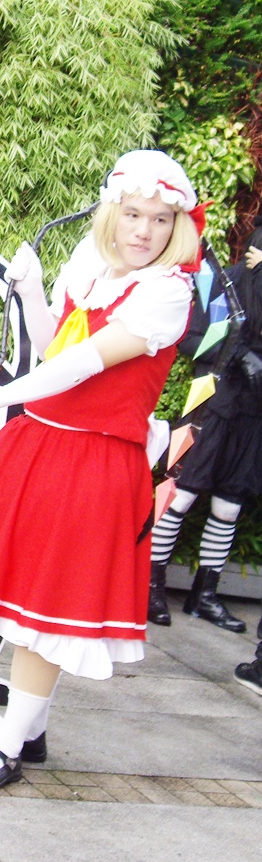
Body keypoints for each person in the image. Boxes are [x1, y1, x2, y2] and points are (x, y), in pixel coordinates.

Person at [0, 150, 202, 793]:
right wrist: (29, 289)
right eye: (133, 214)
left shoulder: (166, 294)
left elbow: (83, 366)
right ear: (112, 213)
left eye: (160, 219)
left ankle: (9, 745)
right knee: (28, 598)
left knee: (44, 611)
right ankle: (29, 730)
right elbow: (55, 346)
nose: (145, 230)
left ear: (176, 227)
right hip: (45, 449)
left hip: (94, 463)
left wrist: (0, 393)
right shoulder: (94, 271)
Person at [146, 218, 262, 632]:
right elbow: (190, 338)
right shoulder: (223, 285)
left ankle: (205, 595)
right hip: (206, 402)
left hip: (254, 415)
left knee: (229, 506)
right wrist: (236, 353)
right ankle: (149, 585)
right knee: (179, 494)